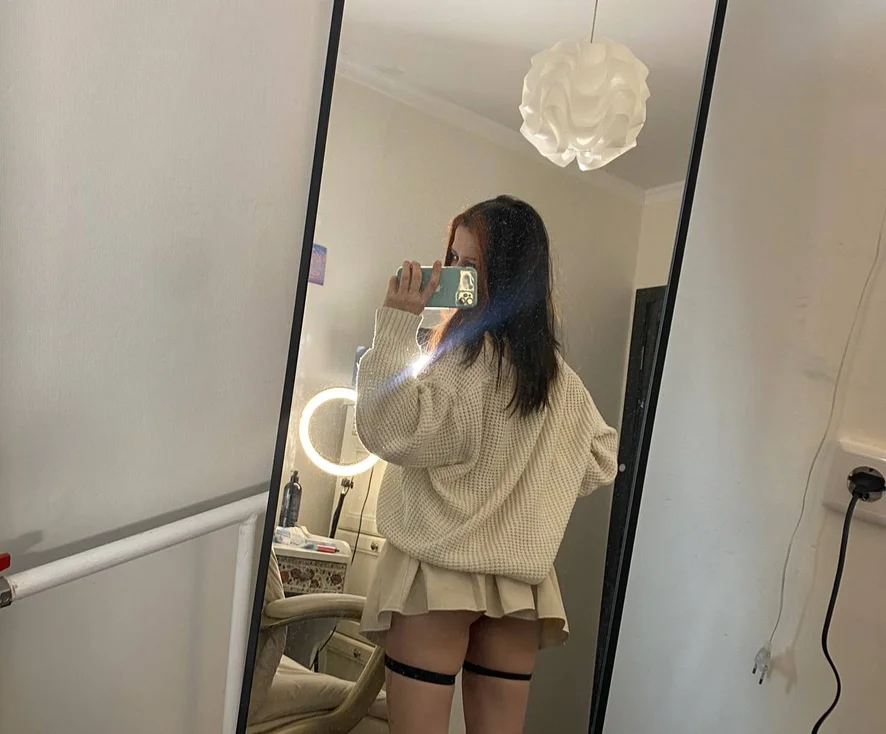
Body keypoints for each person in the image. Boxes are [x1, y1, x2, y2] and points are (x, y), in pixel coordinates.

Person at [355, 195, 618, 734]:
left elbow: (386, 428)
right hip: (517, 590)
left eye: (469, 265)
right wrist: (529, 480)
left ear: (507, 277)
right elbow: (601, 457)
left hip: (437, 574)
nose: (453, 274)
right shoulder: (559, 381)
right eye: (452, 259)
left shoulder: (463, 362)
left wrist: (397, 322)